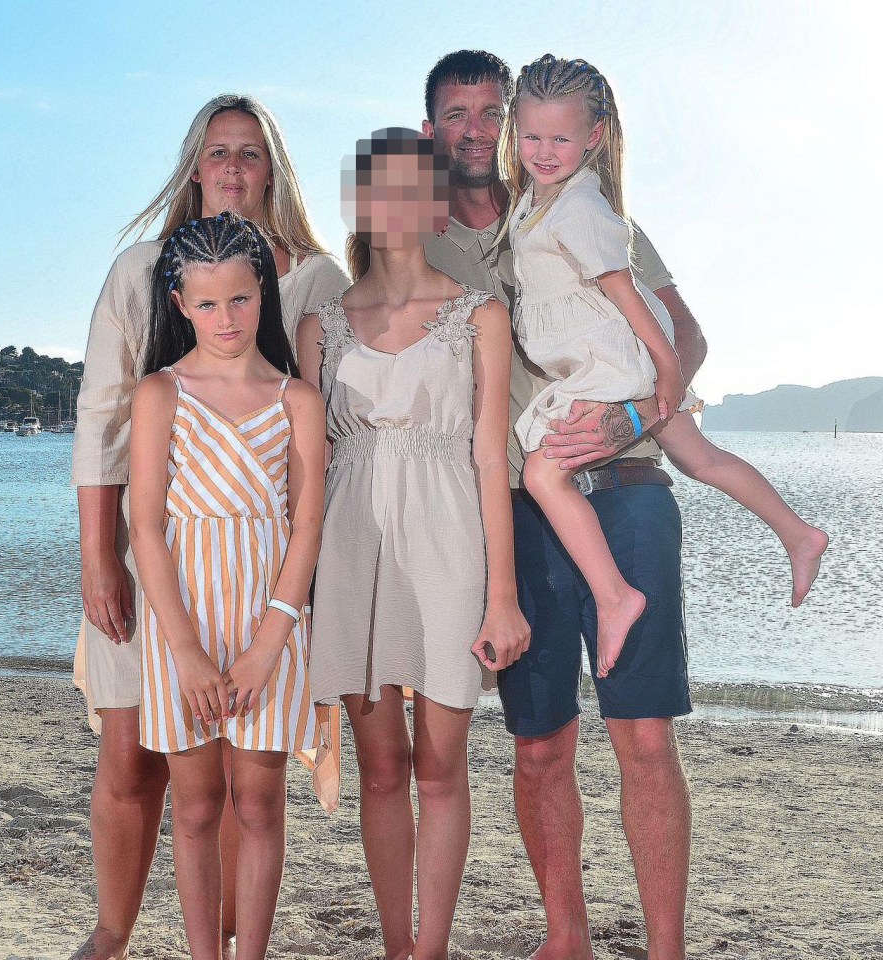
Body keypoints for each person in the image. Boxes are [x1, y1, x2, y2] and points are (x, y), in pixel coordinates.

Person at [421, 49, 694, 960]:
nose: (475, 129)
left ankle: (666, 952)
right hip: (517, 513)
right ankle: (564, 941)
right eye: (457, 114)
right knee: (538, 747)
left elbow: (685, 335)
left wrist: (635, 413)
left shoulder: (589, 212)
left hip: (625, 491)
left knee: (643, 738)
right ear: (434, 131)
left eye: (487, 112)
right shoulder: (421, 244)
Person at [70, 94, 347, 960]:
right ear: (196, 165)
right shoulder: (143, 270)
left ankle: (233, 941)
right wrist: (99, 552)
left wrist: (284, 623)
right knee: (136, 756)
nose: (233, 167)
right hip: (167, 576)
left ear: (274, 171)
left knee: (252, 795)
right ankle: (115, 929)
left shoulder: (317, 279)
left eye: (252, 154)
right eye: (219, 152)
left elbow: (321, 465)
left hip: (271, 588)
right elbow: (105, 413)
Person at [500, 54, 828, 674]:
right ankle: (798, 532)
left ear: (594, 137)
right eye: (531, 135)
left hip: (609, 360)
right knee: (697, 456)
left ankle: (615, 597)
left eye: (560, 138)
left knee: (545, 475)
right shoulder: (539, 201)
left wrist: (666, 374)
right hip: (606, 356)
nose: (543, 150)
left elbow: (630, 298)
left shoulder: (580, 209)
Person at [297, 128, 530, 960]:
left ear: (436, 204)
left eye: (412, 187)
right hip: (351, 548)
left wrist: (502, 596)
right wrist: (300, 592)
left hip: (449, 546)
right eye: (377, 186)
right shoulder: (323, 327)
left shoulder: (481, 316)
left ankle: (430, 950)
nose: (393, 204)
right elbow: (310, 473)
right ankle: (397, 947)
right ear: (360, 201)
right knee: (382, 767)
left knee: (441, 765)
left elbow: (491, 455)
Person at [129, 213, 331, 960]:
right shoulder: (159, 394)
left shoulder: (296, 401)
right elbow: (145, 527)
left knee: (259, 801)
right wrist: (184, 652)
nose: (225, 319)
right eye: (207, 303)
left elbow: (306, 527)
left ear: (263, 295)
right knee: (196, 804)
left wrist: (267, 647)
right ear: (180, 302)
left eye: (240, 300)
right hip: (182, 625)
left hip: (267, 626)